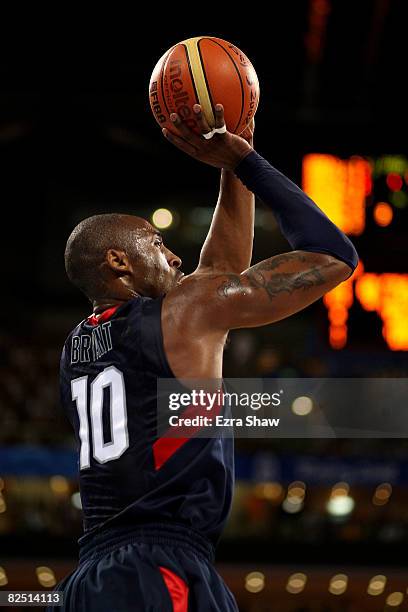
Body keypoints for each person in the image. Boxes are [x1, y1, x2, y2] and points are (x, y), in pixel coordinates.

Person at [48, 104, 358, 611]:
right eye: (157, 242)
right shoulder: (185, 313)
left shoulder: (75, 349)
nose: (174, 257)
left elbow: (220, 269)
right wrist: (250, 162)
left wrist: (230, 168)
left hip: (92, 575)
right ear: (119, 261)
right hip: (157, 567)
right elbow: (333, 254)